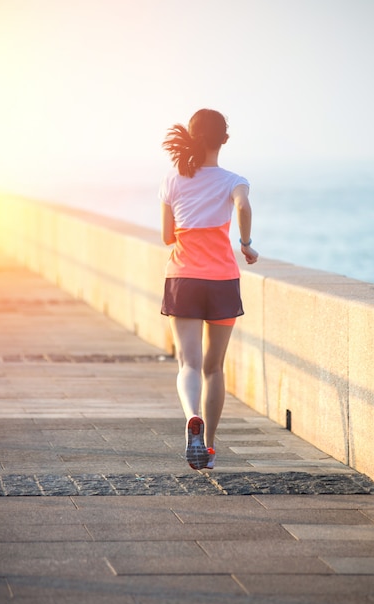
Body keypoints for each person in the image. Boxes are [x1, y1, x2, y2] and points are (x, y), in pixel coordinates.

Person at [159, 109, 258, 471]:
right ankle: (211, 448)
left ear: (191, 137)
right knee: (213, 368)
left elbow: (167, 236)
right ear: (225, 139)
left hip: (183, 279)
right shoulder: (234, 180)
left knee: (188, 362)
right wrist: (246, 243)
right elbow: (243, 206)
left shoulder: (173, 179)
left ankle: (191, 417)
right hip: (221, 282)